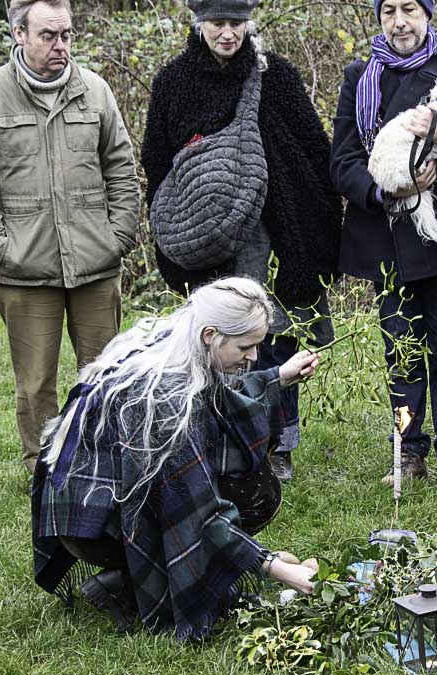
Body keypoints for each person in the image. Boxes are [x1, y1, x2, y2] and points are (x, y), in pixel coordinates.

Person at [31, 278, 320, 638]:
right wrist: (275, 566)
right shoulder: (166, 399)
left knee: (247, 478)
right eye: (246, 346)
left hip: (85, 508)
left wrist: (278, 377)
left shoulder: (172, 338)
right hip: (92, 525)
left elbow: (219, 400)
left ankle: (129, 578)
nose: (254, 357)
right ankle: (137, 582)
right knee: (253, 493)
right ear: (211, 335)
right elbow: (197, 513)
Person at [140, 0, 342, 482]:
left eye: (236, 23)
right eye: (218, 23)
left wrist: (318, 222)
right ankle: (221, 438)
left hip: (279, 231)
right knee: (220, 340)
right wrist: (180, 222)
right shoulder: (174, 83)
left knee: (278, 333)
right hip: (211, 238)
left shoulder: (276, 76)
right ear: (199, 24)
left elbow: (314, 149)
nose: (228, 33)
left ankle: (278, 444)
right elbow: (157, 162)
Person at [0, 0, 140, 475]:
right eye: (48, 36)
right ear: (19, 35)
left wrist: (119, 235)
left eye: (67, 35)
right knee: (36, 383)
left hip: (96, 265)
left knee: (106, 375)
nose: (61, 45)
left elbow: (121, 168)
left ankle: (103, 465)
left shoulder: (94, 90)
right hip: (23, 270)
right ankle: (46, 472)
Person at [330, 0, 437, 489]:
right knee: (400, 355)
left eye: (410, 8)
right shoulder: (360, 78)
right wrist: (385, 190)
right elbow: (343, 161)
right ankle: (407, 450)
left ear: (428, 13)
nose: (399, 21)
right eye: (389, 11)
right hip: (386, 240)